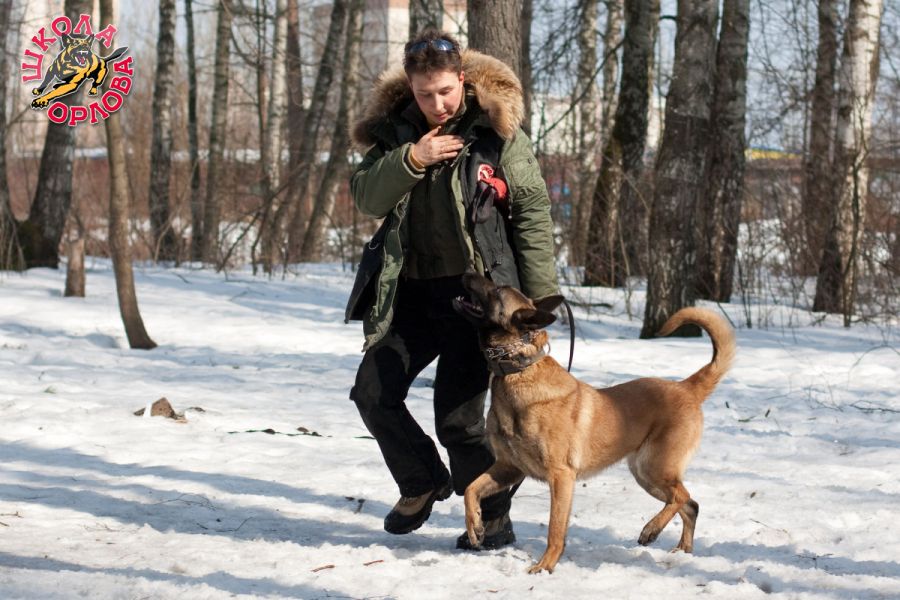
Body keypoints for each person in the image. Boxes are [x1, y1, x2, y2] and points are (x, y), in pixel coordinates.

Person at [345, 28, 559, 550]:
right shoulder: (394, 132)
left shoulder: (493, 129)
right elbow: (367, 198)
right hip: (411, 295)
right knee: (372, 393)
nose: (437, 103)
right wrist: (412, 158)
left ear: (462, 79)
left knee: (459, 422)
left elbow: (532, 212)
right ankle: (422, 481)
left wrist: (537, 302)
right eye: (425, 94)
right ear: (410, 88)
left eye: (445, 91)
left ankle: (493, 517)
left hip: (478, 302)